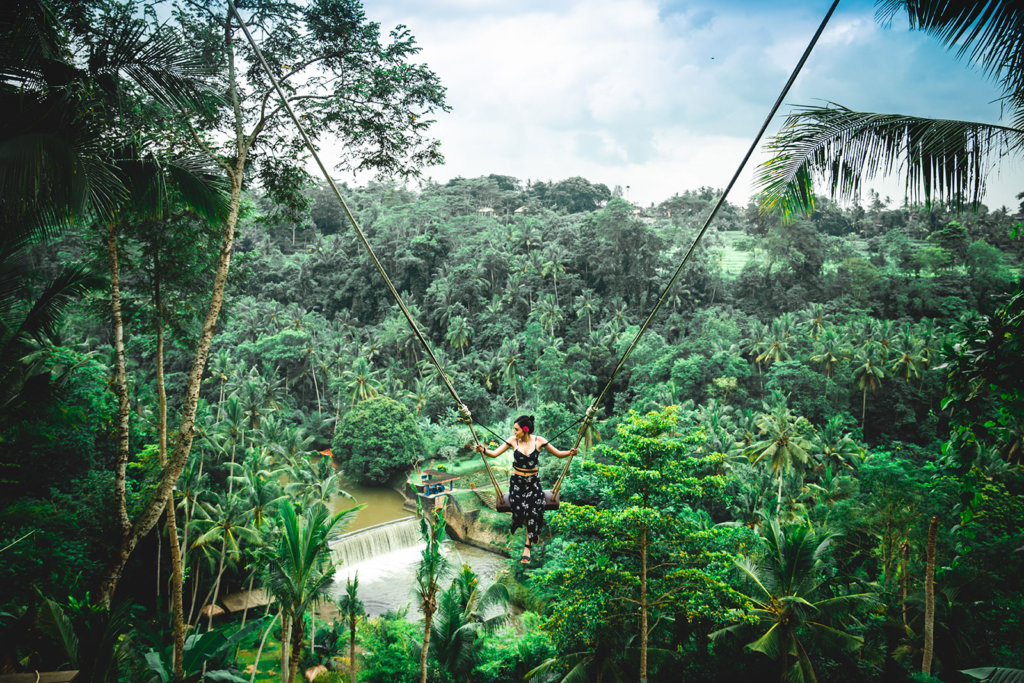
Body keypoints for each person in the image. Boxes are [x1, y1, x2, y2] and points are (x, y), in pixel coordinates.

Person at [475, 415, 577, 564]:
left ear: (525, 429)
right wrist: (483, 450)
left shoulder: (539, 441)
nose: (514, 432)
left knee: (533, 508)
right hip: (517, 483)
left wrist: (570, 452)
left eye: (516, 429)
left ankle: (527, 546)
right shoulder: (512, 441)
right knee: (518, 507)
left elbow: (558, 454)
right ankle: (522, 527)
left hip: (533, 483)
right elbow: (495, 453)